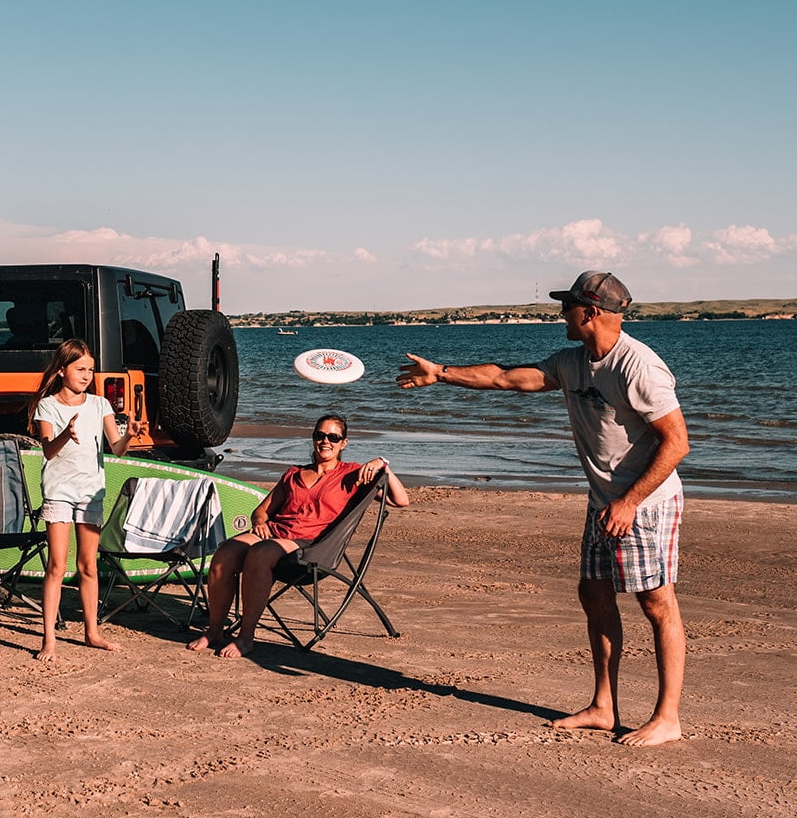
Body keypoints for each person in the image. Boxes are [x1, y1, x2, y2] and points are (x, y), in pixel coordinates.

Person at [396, 270, 691, 746]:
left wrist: (629, 501)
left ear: (591, 312)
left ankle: (668, 717)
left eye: (568, 306)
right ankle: (603, 706)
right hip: (605, 501)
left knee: (657, 603)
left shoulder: (639, 367)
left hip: (647, 502)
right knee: (594, 594)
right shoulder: (572, 361)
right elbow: (506, 377)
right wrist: (442, 374)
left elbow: (677, 444)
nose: (561, 313)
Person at [186, 414, 409, 658]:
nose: (326, 441)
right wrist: (260, 523)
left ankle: (246, 637)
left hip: (311, 546)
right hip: (274, 534)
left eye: (333, 437)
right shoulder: (293, 474)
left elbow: (400, 500)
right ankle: (215, 630)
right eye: (320, 435)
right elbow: (261, 511)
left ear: (343, 443)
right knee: (225, 552)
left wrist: (382, 463)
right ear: (313, 438)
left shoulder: (352, 474)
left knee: (260, 553)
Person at [29, 338, 133, 661]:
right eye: (80, 369)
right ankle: (49, 639)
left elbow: (116, 448)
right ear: (62, 370)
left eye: (90, 369)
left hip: (90, 493)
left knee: (88, 565)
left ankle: (92, 633)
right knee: (57, 566)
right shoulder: (47, 406)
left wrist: (129, 434)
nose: (87, 375)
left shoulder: (101, 405)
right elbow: (47, 449)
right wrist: (66, 434)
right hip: (59, 491)